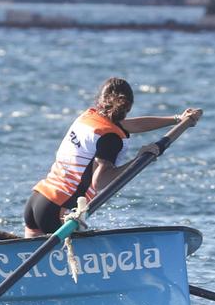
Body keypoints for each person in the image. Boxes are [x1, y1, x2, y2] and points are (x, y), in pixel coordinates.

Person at [25, 78, 201, 234]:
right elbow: (100, 182)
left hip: (37, 201)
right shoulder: (110, 138)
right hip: (60, 209)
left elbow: (132, 125)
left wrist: (177, 118)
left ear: (100, 101)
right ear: (129, 106)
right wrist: (138, 159)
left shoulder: (89, 117)